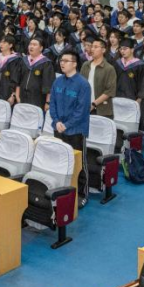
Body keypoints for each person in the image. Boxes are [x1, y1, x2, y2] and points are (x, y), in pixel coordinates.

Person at [49, 49, 92, 204]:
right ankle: (62, 191)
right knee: (60, 161)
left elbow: (82, 111)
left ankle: (82, 194)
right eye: (61, 60)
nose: (62, 63)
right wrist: (56, 121)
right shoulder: (57, 81)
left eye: (66, 61)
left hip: (76, 130)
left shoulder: (83, 84)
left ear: (74, 64)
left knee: (79, 163)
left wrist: (66, 125)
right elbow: (52, 103)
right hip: (58, 128)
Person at [80, 36, 116, 117]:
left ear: (103, 50)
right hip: (84, 107)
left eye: (96, 47)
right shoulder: (86, 65)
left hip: (102, 110)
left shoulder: (109, 68)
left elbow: (109, 91)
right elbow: (80, 85)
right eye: (92, 46)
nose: (92, 49)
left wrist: (93, 104)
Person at [19, 38, 54, 108]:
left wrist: (48, 101)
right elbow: (18, 79)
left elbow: (49, 84)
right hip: (22, 96)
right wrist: (17, 96)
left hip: (38, 98)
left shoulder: (46, 63)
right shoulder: (23, 60)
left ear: (41, 48)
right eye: (30, 44)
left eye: (34, 45)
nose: (31, 46)